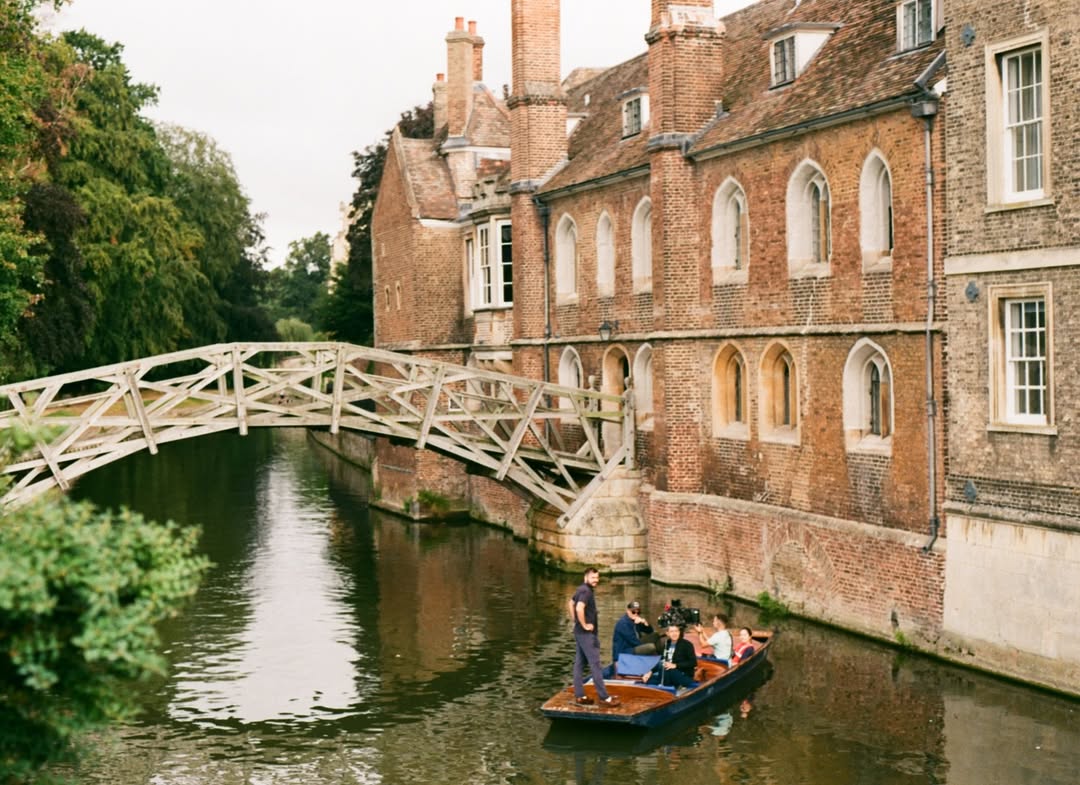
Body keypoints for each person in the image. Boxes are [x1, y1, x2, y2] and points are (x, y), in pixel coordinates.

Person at [571, 568, 620, 707]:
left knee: (579, 664)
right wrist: (584, 625)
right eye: (593, 578)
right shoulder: (586, 591)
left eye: (597, 578)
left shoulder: (580, 589)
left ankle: (580, 695)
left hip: (579, 633)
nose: (596, 580)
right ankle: (604, 698)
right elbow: (579, 607)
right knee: (596, 665)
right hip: (587, 635)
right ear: (586, 577)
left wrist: (575, 621)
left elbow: (571, 603)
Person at [641, 624, 697, 691]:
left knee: (666, 669)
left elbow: (693, 662)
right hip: (667, 673)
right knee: (649, 680)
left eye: (676, 631)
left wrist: (675, 665)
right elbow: (662, 660)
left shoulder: (687, 645)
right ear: (667, 633)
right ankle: (663, 686)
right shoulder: (667, 644)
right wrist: (650, 671)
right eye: (672, 631)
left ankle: (667, 689)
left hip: (682, 674)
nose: (674, 634)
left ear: (679, 632)